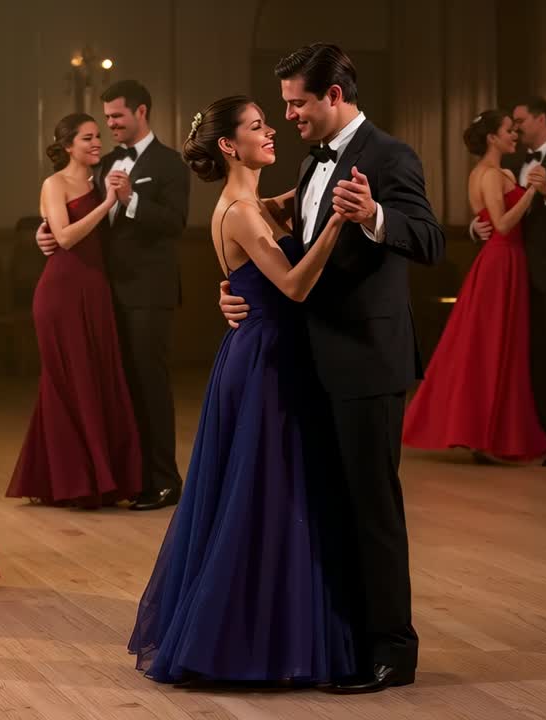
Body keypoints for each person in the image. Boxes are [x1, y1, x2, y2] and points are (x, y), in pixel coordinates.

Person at [219, 44, 445, 692]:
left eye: (297, 103)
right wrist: (236, 291)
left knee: (372, 508)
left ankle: (391, 652)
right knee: (329, 505)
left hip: (367, 360)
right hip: (309, 358)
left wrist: (375, 215)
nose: (289, 115)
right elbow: (281, 248)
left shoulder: (390, 156)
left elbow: (430, 240)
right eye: (285, 104)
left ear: (334, 96)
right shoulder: (310, 160)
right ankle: (342, 641)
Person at [128, 96, 354, 685]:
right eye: (258, 126)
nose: (271, 130)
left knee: (265, 492)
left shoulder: (254, 205)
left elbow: (290, 204)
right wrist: (337, 223)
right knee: (262, 495)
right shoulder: (241, 213)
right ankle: (247, 642)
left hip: (261, 352)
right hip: (264, 362)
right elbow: (295, 286)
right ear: (229, 145)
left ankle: (263, 634)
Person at [36, 80, 189, 511]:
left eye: (117, 116)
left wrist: (131, 199)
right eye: (106, 119)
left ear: (141, 112)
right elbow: (73, 216)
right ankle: (128, 477)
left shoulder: (170, 163)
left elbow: (175, 222)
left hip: (147, 293)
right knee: (115, 388)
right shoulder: (102, 164)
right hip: (100, 292)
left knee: (148, 385)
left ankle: (164, 480)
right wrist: (43, 233)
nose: (111, 125)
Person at [6, 114, 143, 507]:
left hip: (96, 290)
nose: (96, 142)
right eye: (87, 138)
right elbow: (64, 237)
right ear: (67, 146)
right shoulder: (55, 183)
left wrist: (114, 198)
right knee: (70, 382)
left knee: (98, 380)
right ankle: (74, 483)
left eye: (97, 136)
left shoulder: (102, 180)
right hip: (61, 293)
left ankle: (98, 481)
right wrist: (107, 204)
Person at [402, 110, 546, 462]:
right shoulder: (490, 175)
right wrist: (532, 191)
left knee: (494, 346)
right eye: (508, 130)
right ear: (492, 138)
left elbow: (485, 220)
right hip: (501, 262)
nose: (514, 135)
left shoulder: (491, 173)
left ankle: (488, 435)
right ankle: (482, 436)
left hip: (503, 261)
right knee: (491, 347)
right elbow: (502, 224)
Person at [472, 97, 546, 466]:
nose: (516, 127)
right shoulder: (510, 163)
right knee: (527, 361)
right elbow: (497, 208)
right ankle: (536, 437)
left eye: (521, 120)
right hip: (515, 277)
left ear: (541, 119)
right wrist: (476, 226)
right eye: (512, 123)